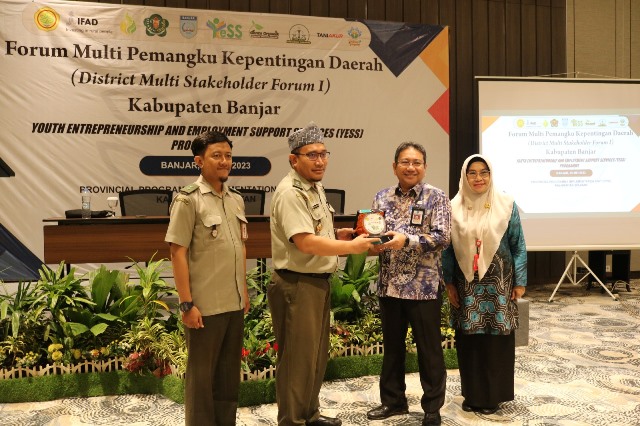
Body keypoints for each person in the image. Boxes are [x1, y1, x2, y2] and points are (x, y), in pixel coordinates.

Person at [268, 122, 378, 426]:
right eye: (312, 155)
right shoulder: (290, 192)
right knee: (296, 362)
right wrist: (352, 249)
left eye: (323, 154)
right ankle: (292, 421)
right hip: (296, 284)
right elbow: (305, 242)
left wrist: (340, 235)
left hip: (315, 284)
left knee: (314, 359)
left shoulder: (313, 186)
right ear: (294, 159)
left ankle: (309, 416)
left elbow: (316, 231)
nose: (320, 161)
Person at [165, 130, 250, 426]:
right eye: (217, 155)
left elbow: (239, 248)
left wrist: (245, 293)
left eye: (228, 155)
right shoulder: (188, 201)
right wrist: (187, 304)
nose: (224, 161)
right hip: (204, 307)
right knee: (202, 382)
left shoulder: (236, 200)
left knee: (228, 380)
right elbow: (177, 253)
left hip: (233, 303)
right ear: (199, 161)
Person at [366, 142, 451, 426]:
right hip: (389, 285)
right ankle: (393, 402)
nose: (410, 167)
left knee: (430, 351)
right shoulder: (382, 197)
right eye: (405, 162)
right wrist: (371, 245)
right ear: (395, 166)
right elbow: (374, 232)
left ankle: (432, 408)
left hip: (423, 288)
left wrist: (408, 241)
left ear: (424, 167)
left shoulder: (436, 197)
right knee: (392, 349)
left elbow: (442, 237)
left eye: (416, 162)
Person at [442, 154, 527, 415]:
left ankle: (493, 396)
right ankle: (473, 394)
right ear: (464, 176)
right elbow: (447, 250)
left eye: (484, 172)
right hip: (467, 285)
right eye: (472, 173)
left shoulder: (506, 204)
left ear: (491, 175)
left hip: (499, 284)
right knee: (470, 340)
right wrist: (448, 283)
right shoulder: (453, 207)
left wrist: (520, 281)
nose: (478, 178)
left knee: (496, 340)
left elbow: (518, 245)